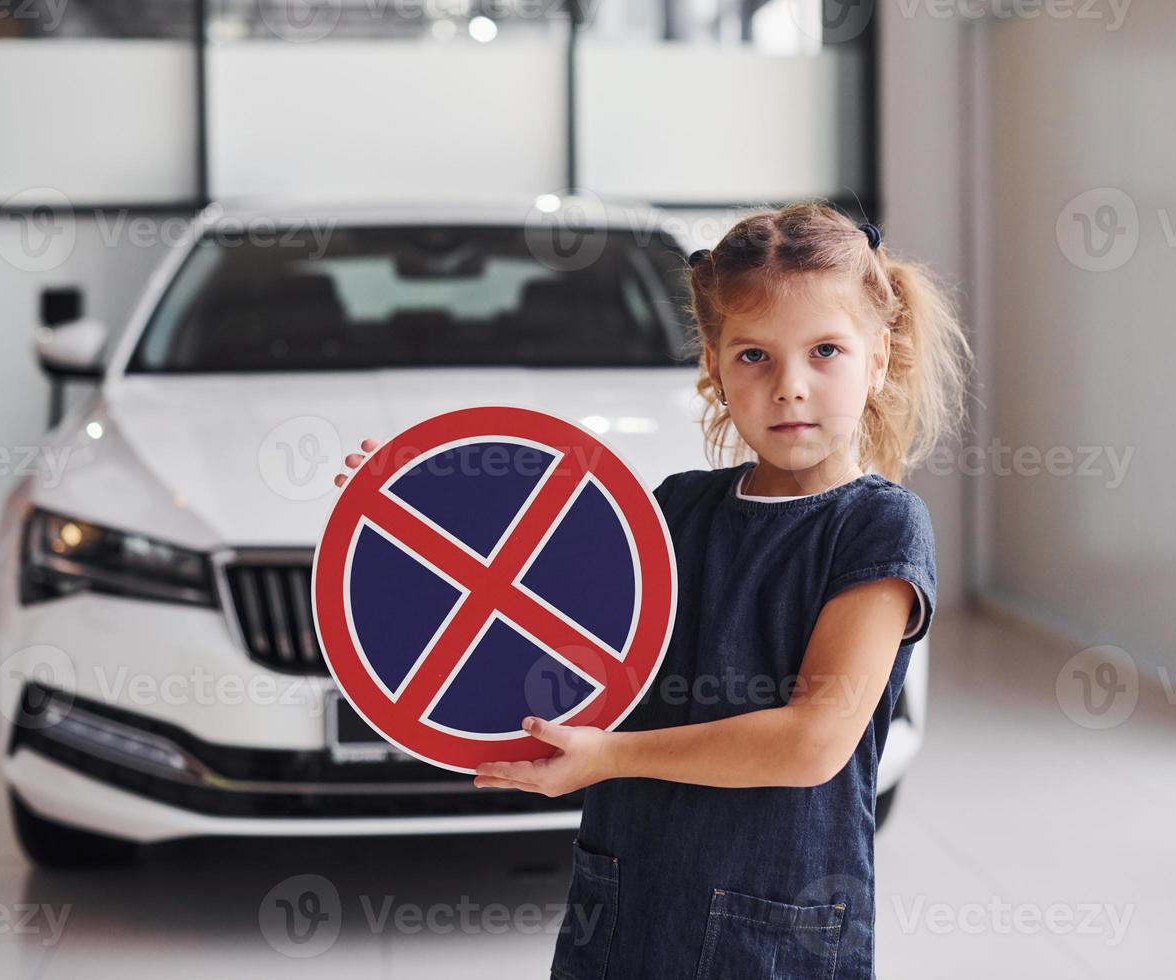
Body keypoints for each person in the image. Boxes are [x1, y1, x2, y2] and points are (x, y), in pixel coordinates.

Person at [336, 201, 973, 979]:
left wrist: (611, 756)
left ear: (878, 360)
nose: (789, 387)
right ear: (712, 360)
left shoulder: (879, 527)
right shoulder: (674, 509)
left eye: (826, 351)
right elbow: (531, 595)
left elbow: (814, 740)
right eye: (753, 356)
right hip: (627, 905)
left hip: (776, 929)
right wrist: (404, 505)